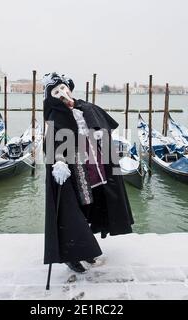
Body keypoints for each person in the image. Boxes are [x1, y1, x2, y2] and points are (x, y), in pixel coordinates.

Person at [43, 73, 134, 273]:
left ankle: (87, 248)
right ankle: (71, 255)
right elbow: (52, 144)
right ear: (51, 97)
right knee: (75, 210)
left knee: (93, 206)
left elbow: (103, 125)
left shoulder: (85, 106)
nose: (61, 93)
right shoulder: (54, 116)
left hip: (97, 167)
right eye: (56, 92)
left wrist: (101, 134)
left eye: (63, 89)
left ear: (69, 89)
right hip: (74, 170)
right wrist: (58, 161)